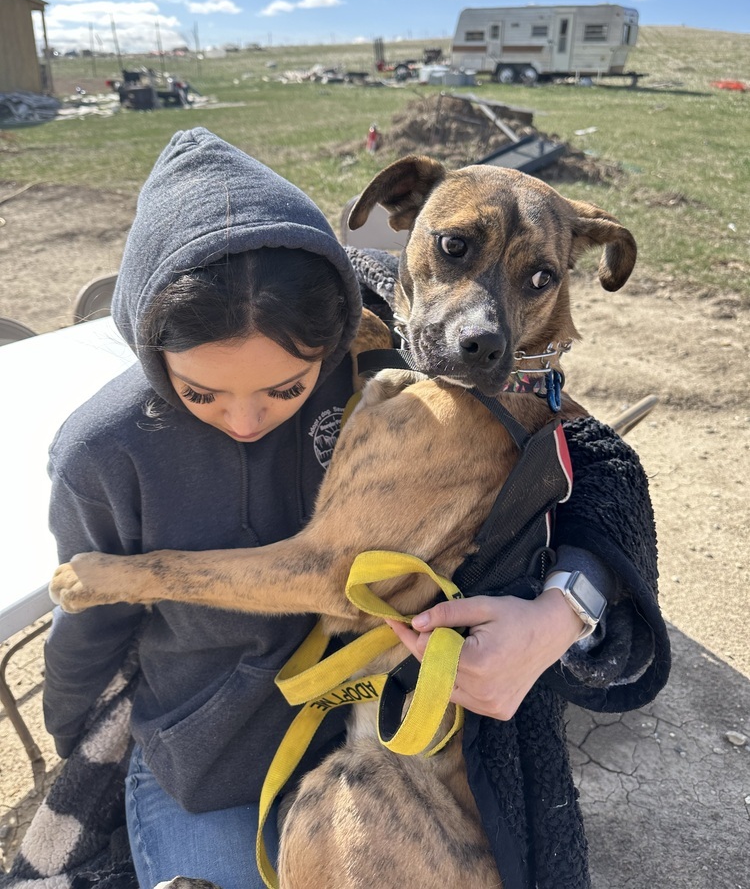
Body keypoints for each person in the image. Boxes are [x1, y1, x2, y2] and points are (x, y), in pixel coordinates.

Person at [43, 127, 669, 889]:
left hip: (377, 722)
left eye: (287, 386)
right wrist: (81, 750)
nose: (245, 419)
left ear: (332, 318)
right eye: (202, 392)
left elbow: (603, 464)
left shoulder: (392, 336)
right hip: (213, 757)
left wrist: (560, 614)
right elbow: (88, 634)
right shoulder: (105, 451)